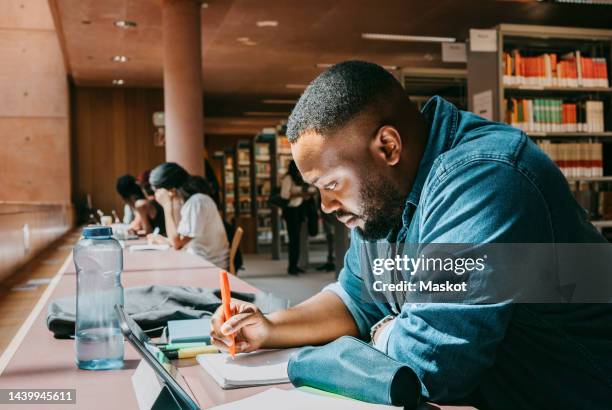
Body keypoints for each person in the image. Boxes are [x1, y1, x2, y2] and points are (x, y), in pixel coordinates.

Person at [209, 61, 612, 409]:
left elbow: (429, 365)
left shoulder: (484, 178)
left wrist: (386, 331)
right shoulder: (383, 200)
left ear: (387, 146)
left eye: (331, 184)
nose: (326, 207)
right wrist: (270, 327)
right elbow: (357, 300)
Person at [147, 162, 229, 269]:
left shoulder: (196, 202)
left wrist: (167, 206)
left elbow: (177, 244)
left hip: (208, 265)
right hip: (200, 261)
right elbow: (178, 239)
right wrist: (163, 240)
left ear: (170, 189)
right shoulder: (193, 201)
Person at [280, 160, 314, 275]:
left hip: (299, 210)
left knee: (298, 239)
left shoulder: (299, 179)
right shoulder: (288, 179)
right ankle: (292, 267)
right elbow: (284, 195)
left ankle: (295, 264)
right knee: (293, 240)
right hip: (291, 211)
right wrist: (301, 194)